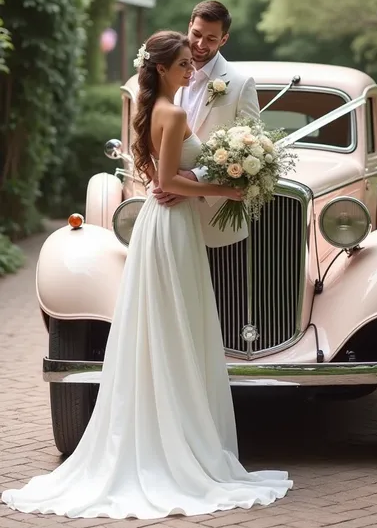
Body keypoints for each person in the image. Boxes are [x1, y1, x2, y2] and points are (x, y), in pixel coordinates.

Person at [1, 31, 292, 520]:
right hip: (172, 223)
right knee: (176, 321)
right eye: (182, 64)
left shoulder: (154, 107)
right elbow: (166, 183)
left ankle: (166, 424)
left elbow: (159, 173)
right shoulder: (174, 113)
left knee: (166, 322)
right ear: (161, 68)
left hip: (164, 226)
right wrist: (232, 190)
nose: (190, 70)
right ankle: (177, 443)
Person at [153, 0, 260, 248]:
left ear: (224, 40)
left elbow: (249, 149)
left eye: (211, 39)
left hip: (216, 221)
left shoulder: (241, 83)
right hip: (168, 213)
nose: (201, 45)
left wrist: (193, 179)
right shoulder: (164, 76)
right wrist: (161, 182)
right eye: (196, 34)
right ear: (189, 26)